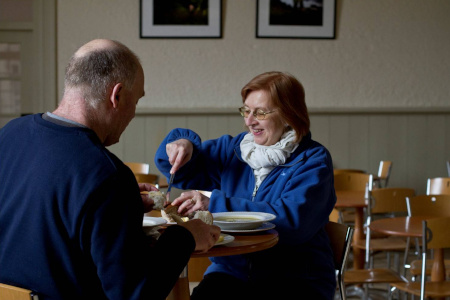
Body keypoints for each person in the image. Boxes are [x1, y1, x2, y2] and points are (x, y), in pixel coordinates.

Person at [0, 39, 220, 300]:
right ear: (117, 96)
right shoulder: (107, 174)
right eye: (136, 101)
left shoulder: (10, 134)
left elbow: (40, 215)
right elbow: (135, 294)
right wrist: (186, 236)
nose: (133, 114)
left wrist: (121, 206)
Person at [155, 71, 337, 299]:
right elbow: (180, 171)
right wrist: (182, 144)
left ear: (289, 114)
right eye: (246, 110)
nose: (250, 121)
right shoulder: (234, 149)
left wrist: (216, 204)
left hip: (295, 278)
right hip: (232, 272)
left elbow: (293, 222)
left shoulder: (312, 160)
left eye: (260, 112)